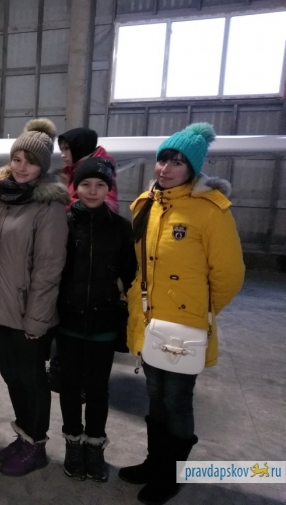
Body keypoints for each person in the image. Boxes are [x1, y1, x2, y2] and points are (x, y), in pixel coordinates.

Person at [119, 123, 245, 505]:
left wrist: (198, 311)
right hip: (148, 320)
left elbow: (229, 275)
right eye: (163, 159)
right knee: (155, 396)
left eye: (177, 162)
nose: (166, 168)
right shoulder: (145, 204)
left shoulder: (211, 210)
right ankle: (154, 462)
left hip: (184, 325)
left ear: (193, 168)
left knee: (176, 401)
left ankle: (171, 475)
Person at [0, 119, 69, 477]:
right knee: (12, 377)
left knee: (32, 381)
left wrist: (36, 320)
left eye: (30, 162)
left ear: (42, 167)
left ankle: (36, 447)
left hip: (29, 314)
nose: (21, 167)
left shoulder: (49, 207)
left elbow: (49, 269)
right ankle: (23, 436)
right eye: (17, 158)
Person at [56, 157, 137, 483]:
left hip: (104, 322)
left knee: (98, 388)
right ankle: (73, 444)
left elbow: (130, 276)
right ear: (75, 187)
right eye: (86, 184)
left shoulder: (120, 228)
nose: (92, 191)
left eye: (100, 185)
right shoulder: (62, 224)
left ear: (108, 189)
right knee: (69, 387)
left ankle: (94, 445)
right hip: (68, 321)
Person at [58, 127, 118, 212]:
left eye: (67, 148)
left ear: (79, 147)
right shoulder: (70, 172)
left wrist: (62, 202)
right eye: (62, 150)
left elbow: (108, 207)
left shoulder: (100, 170)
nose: (62, 155)